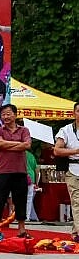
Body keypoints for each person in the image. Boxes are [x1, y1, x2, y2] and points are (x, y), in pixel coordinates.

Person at [0, 104, 32, 238]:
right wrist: (19, 144)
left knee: (20, 200)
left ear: (15, 115)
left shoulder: (24, 130)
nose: (5, 117)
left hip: (20, 171)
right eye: (3, 114)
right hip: (2, 171)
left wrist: (8, 145)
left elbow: (27, 145)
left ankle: (22, 229)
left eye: (8, 114)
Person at [53, 102, 79, 240]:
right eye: (78, 111)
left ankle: (75, 233)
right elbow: (57, 150)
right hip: (73, 169)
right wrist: (75, 151)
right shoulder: (66, 130)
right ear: (74, 113)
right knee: (77, 202)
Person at [24, 148, 41, 224]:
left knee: (20, 198)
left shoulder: (18, 154)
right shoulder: (31, 155)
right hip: (31, 178)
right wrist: (36, 183)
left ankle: (19, 216)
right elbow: (36, 169)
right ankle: (27, 217)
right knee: (29, 199)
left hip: (21, 177)